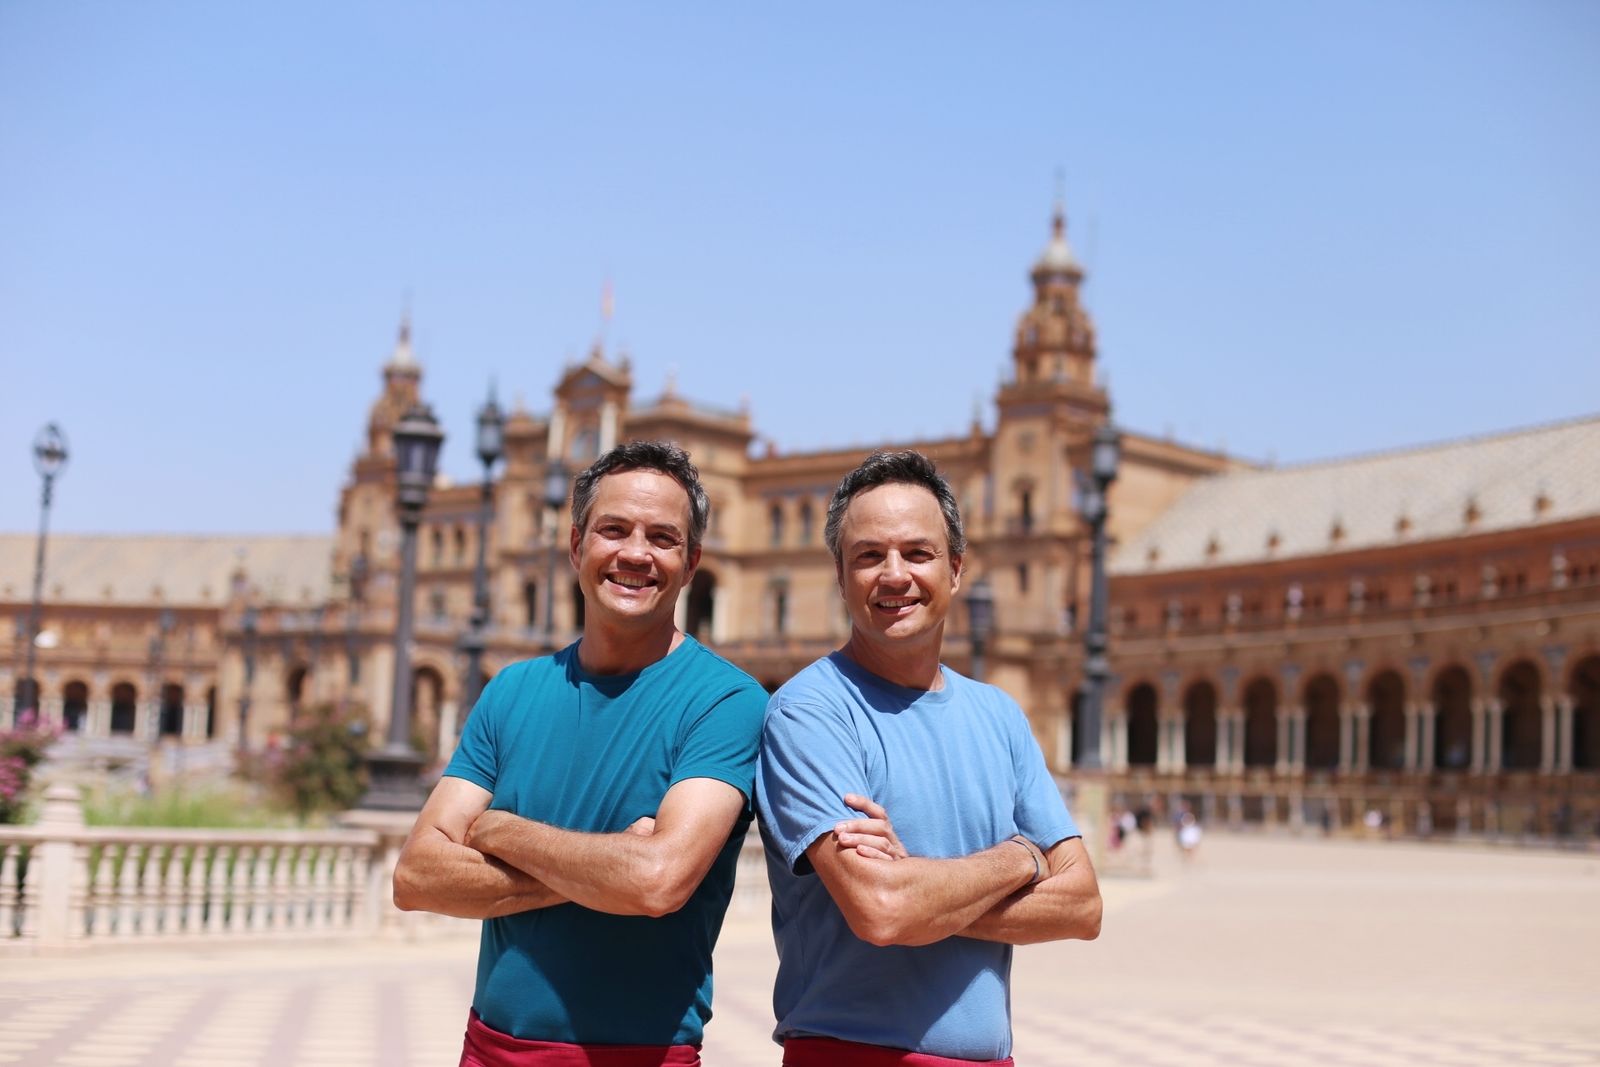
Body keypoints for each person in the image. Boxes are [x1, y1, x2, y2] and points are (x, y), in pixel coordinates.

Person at [393, 440, 767, 1066]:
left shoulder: (726, 702)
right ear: (576, 546)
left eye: (662, 538)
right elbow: (415, 878)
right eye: (613, 529)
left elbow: (656, 881)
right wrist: (603, 871)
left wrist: (499, 829)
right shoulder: (512, 690)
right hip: (488, 1048)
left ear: (692, 559)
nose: (635, 554)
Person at [756, 449, 1102, 1066]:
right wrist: (1021, 856)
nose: (894, 575)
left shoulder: (998, 715)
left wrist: (923, 892)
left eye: (918, 553)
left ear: (956, 570)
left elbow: (1082, 906)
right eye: (869, 556)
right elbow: (883, 911)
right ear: (840, 576)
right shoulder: (809, 713)